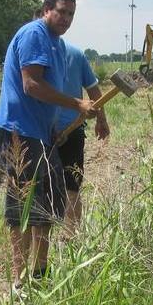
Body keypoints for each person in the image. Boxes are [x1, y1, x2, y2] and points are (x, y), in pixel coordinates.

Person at [0, 0, 96, 293]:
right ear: (46, 9)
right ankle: (19, 278)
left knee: (49, 202)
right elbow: (32, 85)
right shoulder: (35, 34)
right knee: (23, 203)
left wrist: (52, 126)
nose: (66, 19)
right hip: (18, 131)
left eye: (71, 15)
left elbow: (46, 92)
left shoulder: (57, 44)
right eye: (61, 12)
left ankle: (39, 273)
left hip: (39, 132)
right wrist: (78, 104)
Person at [55, 43, 110, 239]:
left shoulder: (75, 54)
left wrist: (101, 119)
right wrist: (102, 121)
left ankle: (70, 237)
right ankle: (68, 235)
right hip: (45, 131)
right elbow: (94, 91)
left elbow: (94, 91)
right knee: (71, 184)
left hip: (68, 130)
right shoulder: (75, 53)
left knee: (71, 184)